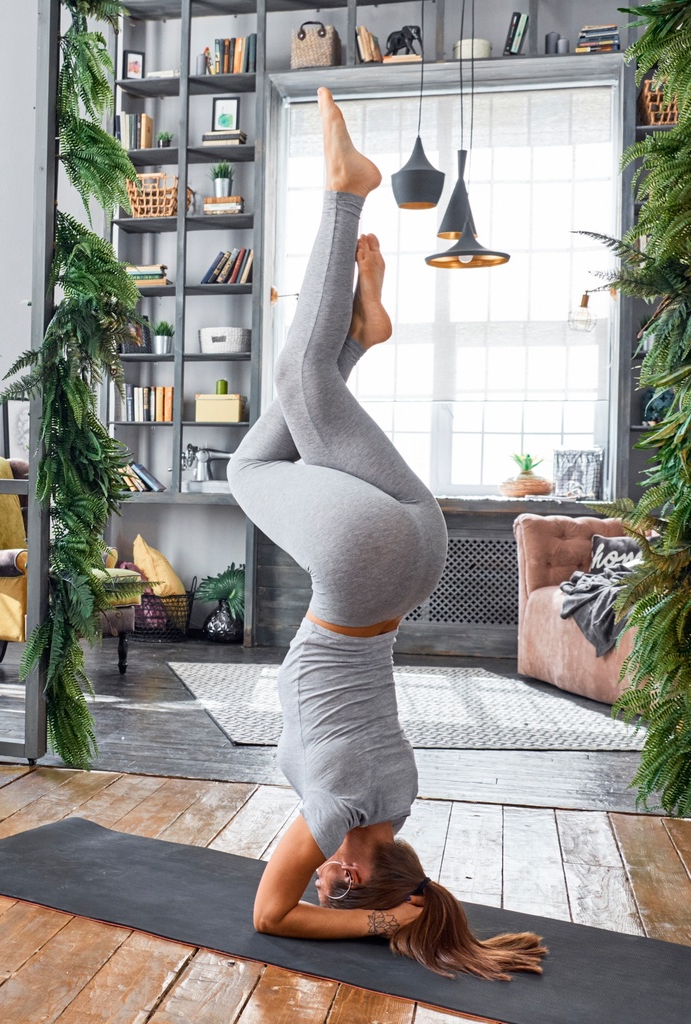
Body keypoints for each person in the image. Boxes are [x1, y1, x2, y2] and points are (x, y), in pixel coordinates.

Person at [227, 88, 547, 981]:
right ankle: (347, 188)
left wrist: (401, 907)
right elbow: (268, 917)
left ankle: (363, 335)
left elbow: (351, 879)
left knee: (291, 411)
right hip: (360, 573)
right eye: (345, 882)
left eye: (328, 883)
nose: (327, 876)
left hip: (416, 556)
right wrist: (378, 930)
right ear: (372, 873)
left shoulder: (400, 806)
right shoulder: (336, 814)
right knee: (288, 393)